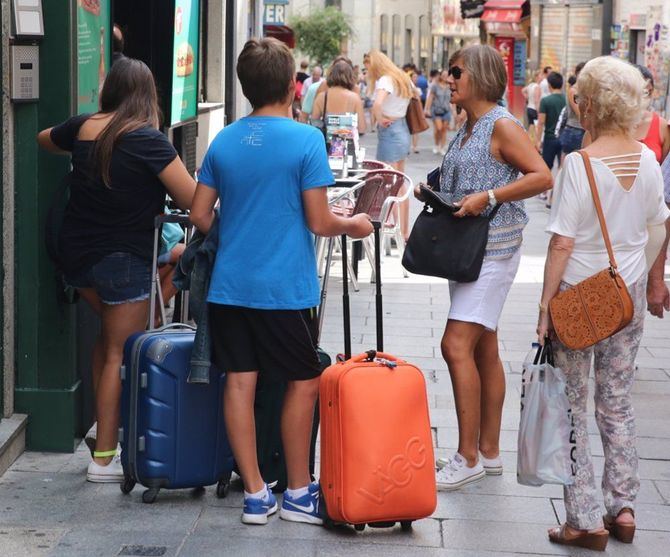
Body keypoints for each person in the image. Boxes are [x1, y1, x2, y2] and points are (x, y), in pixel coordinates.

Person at [189, 37, 373, 526]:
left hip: (229, 286)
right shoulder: (306, 140)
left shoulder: (224, 139)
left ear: (244, 87)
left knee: (240, 385)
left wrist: (237, 236)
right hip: (284, 289)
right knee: (302, 380)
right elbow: (318, 221)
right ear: (293, 86)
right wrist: (354, 224)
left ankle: (254, 493)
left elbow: (199, 213)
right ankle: (296, 490)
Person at [36, 57, 196, 482]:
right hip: (122, 260)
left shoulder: (84, 127)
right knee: (116, 352)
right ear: (147, 97)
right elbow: (193, 200)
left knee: (108, 340)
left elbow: (42, 138)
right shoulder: (147, 140)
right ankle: (105, 458)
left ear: (110, 90)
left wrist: (76, 144)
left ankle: (105, 436)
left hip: (77, 259)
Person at [537, 55, 670, 551]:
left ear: (589, 105)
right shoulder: (647, 159)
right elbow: (661, 223)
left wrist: (544, 306)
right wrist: (655, 280)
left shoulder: (579, 165)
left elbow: (562, 243)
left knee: (573, 404)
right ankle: (625, 506)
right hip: (627, 294)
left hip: (578, 297)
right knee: (616, 401)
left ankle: (585, 518)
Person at [414, 45, 552, 491]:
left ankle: (467, 455)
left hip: (493, 249)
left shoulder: (502, 124)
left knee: (455, 345)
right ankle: (490, 452)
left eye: (456, 72)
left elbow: (541, 175)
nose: (448, 78)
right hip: (469, 250)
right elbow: (466, 180)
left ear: (478, 75)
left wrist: (488, 198)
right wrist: (434, 190)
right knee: (483, 347)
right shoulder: (469, 125)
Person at [366, 49, 414, 240]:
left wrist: (380, 118)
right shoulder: (402, 77)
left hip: (390, 130)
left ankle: (395, 229)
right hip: (402, 127)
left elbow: (378, 104)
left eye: (368, 65)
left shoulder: (385, 80)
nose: (367, 70)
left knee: (390, 183)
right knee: (400, 183)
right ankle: (403, 231)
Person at [311, 60, 367, 135]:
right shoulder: (355, 98)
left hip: (325, 144)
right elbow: (362, 128)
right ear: (350, 77)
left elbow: (314, 124)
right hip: (347, 144)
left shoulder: (321, 97)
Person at [633, 65, 670, 163]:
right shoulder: (607, 125)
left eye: (649, 92)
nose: (644, 98)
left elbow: (664, 170)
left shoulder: (662, 126)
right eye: (641, 92)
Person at [536, 72, 566, 171]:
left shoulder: (545, 101)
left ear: (549, 85)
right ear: (561, 84)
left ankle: (549, 187)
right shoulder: (567, 100)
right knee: (562, 169)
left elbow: (541, 122)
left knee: (546, 169)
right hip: (564, 138)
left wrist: (538, 141)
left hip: (549, 138)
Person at [559, 63, 586, 158]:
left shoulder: (585, 90)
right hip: (574, 130)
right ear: (578, 74)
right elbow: (580, 113)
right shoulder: (574, 91)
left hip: (582, 130)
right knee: (569, 163)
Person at [424, 69, 452, 155]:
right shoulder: (435, 86)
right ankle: (436, 145)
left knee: (444, 130)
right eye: (443, 75)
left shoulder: (450, 86)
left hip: (447, 110)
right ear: (440, 75)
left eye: (446, 75)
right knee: (438, 129)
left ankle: (442, 147)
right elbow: (430, 97)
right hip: (436, 110)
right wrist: (427, 109)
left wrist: (455, 111)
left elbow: (452, 99)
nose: (445, 77)